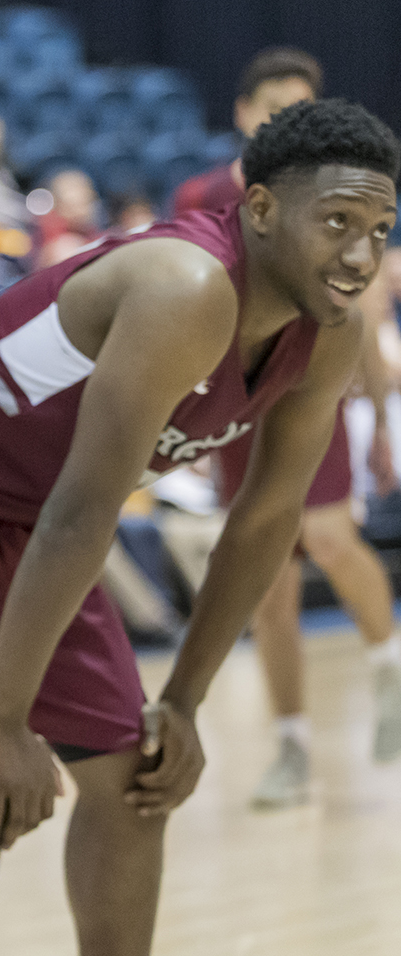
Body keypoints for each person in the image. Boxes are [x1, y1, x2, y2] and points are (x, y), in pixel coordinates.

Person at [0, 97, 399, 956]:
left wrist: (183, 703)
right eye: (338, 222)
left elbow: (264, 522)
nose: (360, 256)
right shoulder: (183, 287)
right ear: (259, 209)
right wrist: (3, 722)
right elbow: (84, 513)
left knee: (136, 777)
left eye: (380, 230)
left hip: (33, 512)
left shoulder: (325, 334)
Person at [216, 286, 401, 807]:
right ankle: (291, 748)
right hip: (240, 416)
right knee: (268, 590)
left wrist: (382, 421)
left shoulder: (311, 218)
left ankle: (388, 666)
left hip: (310, 397)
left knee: (329, 540)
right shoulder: (202, 209)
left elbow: (360, 315)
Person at [171, 46, 323, 217]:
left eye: (298, 109)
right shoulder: (196, 197)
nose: (285, 121)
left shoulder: (333, 196)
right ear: (242, 112)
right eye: (273, 108)